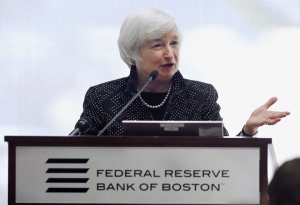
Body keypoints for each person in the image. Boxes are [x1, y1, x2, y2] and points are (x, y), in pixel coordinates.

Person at [77, 8, 290, 136]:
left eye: (174, 43)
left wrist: (248, 130)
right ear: (133, 52)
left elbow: (225, 156)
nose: (170, 53)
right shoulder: (102, 97)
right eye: (158, 46)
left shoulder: (200, 95)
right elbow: (77, 152)